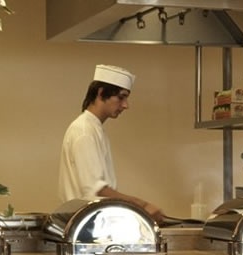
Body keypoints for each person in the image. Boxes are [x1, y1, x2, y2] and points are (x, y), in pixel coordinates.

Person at [59, 64, 165, 223]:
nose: (126, 105)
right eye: (121, 97)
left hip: (92, 222)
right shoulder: (84, 131)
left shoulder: (94, 129)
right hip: (85, 225)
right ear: (101, 93)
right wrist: (141, 205)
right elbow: (96, 190)